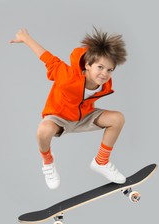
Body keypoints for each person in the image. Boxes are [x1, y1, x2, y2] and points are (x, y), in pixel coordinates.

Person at [10, 27, 127, 190]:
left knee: (117, 118)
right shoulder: (67, 77)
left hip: (84, 116)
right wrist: (26, 38)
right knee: (43, 130)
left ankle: (101, 161)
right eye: (100, 67)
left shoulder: (105, 84)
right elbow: (48, 59)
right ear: (87, 65)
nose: (104, 74)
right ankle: (48, 161)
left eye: (109, 70)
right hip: (59, 117)